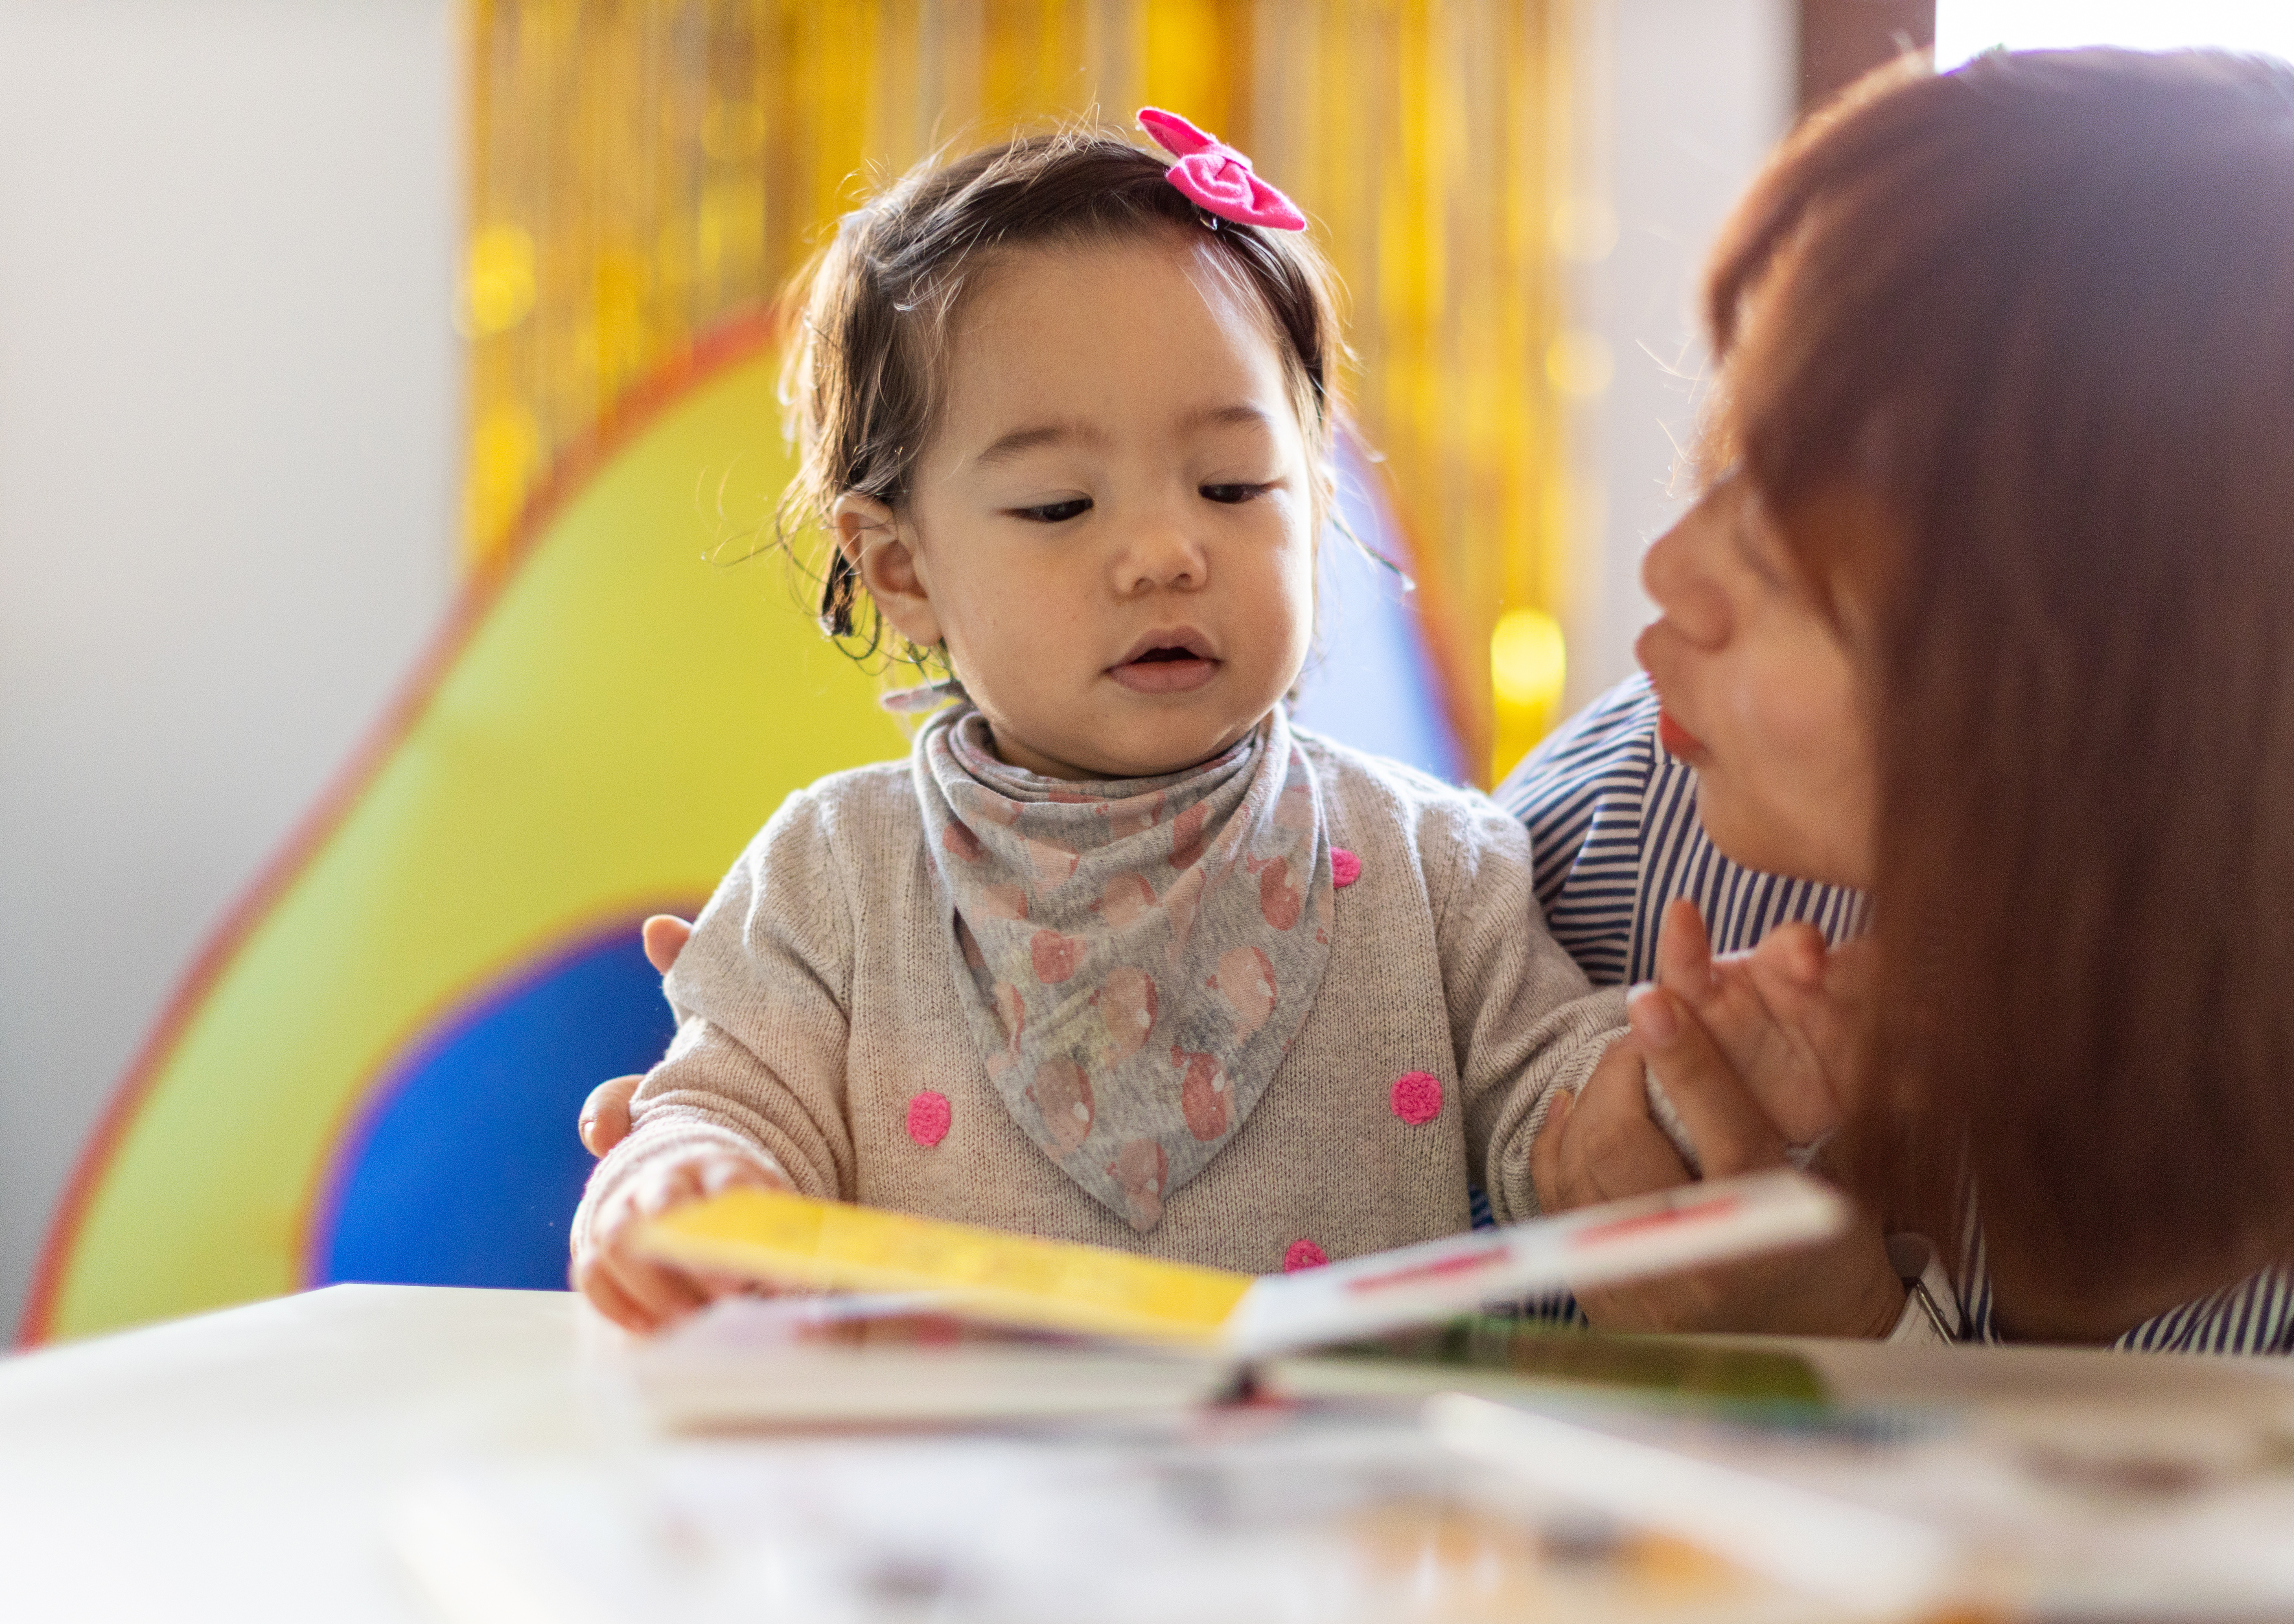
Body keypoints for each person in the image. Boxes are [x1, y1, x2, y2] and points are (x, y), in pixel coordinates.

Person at [1513, 48, 2294, 1624]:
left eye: (1783, 551)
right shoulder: (1640, 817)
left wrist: (1852, 1371)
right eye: (1722, 460)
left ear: (2118, 676)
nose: (1666, 576)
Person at [569, 111, 1633, 1334]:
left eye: (1234, 488)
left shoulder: (1436, 867)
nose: (1169, 552)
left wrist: (1661, 1103)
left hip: (1333, 1505)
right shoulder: (834, 876)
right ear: (901, 567)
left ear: (1313, 497)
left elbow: (1572, 1128)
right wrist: (680, 1184)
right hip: (941, 1504)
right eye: (1061, 503)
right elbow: (724, 1105)